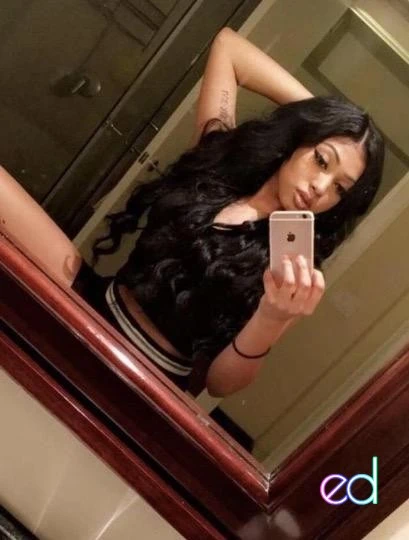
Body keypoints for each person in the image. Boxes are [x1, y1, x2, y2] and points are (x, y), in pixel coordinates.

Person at [0, 28, 384, 398]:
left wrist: (272, 317)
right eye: (321, 160)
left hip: (150, 379)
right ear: (300, 141)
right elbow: (230, 48)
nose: (321, 187)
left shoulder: (297, 270)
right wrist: (320, 119)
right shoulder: (219, 163)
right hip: (97, 301)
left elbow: (220, 385)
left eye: (340, 189)